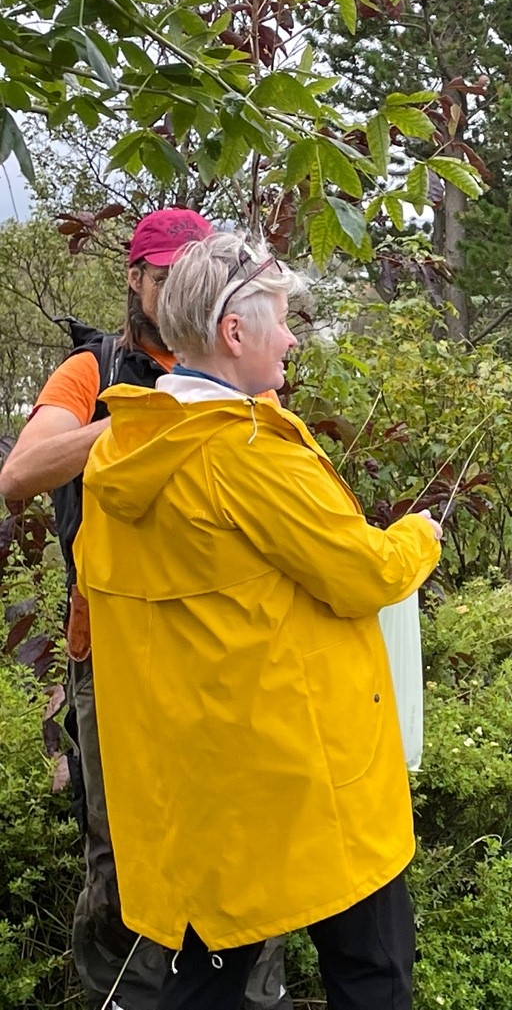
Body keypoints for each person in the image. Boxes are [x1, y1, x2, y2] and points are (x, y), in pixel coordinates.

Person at [73, 231, 442, 1010]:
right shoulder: (244, 454)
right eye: (281, 319)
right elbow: (364, 574)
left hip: (200, 786)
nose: (292, 337)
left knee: (206, 975)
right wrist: (420, 535)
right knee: (372, 969)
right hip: (305, 770)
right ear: (234, 332)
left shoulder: (122, 452)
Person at [0, 209, 292, 1010]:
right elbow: (19, 473)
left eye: (197, 273)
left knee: (242, 831)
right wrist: (148, 419)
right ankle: (126, 993)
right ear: (135, 278)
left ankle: (250, 992)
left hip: (228, 648)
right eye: (165, 276)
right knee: (126, 843)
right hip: (113, 649)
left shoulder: (241, 362)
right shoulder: (91, 369)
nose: (181, 287)